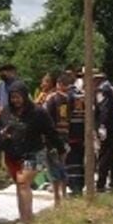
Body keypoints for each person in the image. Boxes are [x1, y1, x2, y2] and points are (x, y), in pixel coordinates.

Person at [0, 81, 66, 223]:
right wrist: (2, 140)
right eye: (12, 97)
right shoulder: (6, 112)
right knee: (20, 185)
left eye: (18, 97)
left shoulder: (38, 112)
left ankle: (27, 220)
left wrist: (60, 149)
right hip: (12, 154)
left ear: (24, 96)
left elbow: (51, 132)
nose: (15, 100)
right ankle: (24, 217)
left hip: (34, 153)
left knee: (23, 182)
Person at [43, 72, 74, 205]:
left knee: (53, 167)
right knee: (62, 164)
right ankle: (64, 194)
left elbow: (46, 120)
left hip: (52, 138)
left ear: (58, 84)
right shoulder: (70, 99)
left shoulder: (52, 99)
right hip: (65, 136)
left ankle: (57, 198)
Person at [95, 73, 113, 192]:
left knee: (105, 155)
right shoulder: (110, 88)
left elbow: (104, 109)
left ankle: (101, 184)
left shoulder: (102, 90)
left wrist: (101, 125)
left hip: (109, 127)